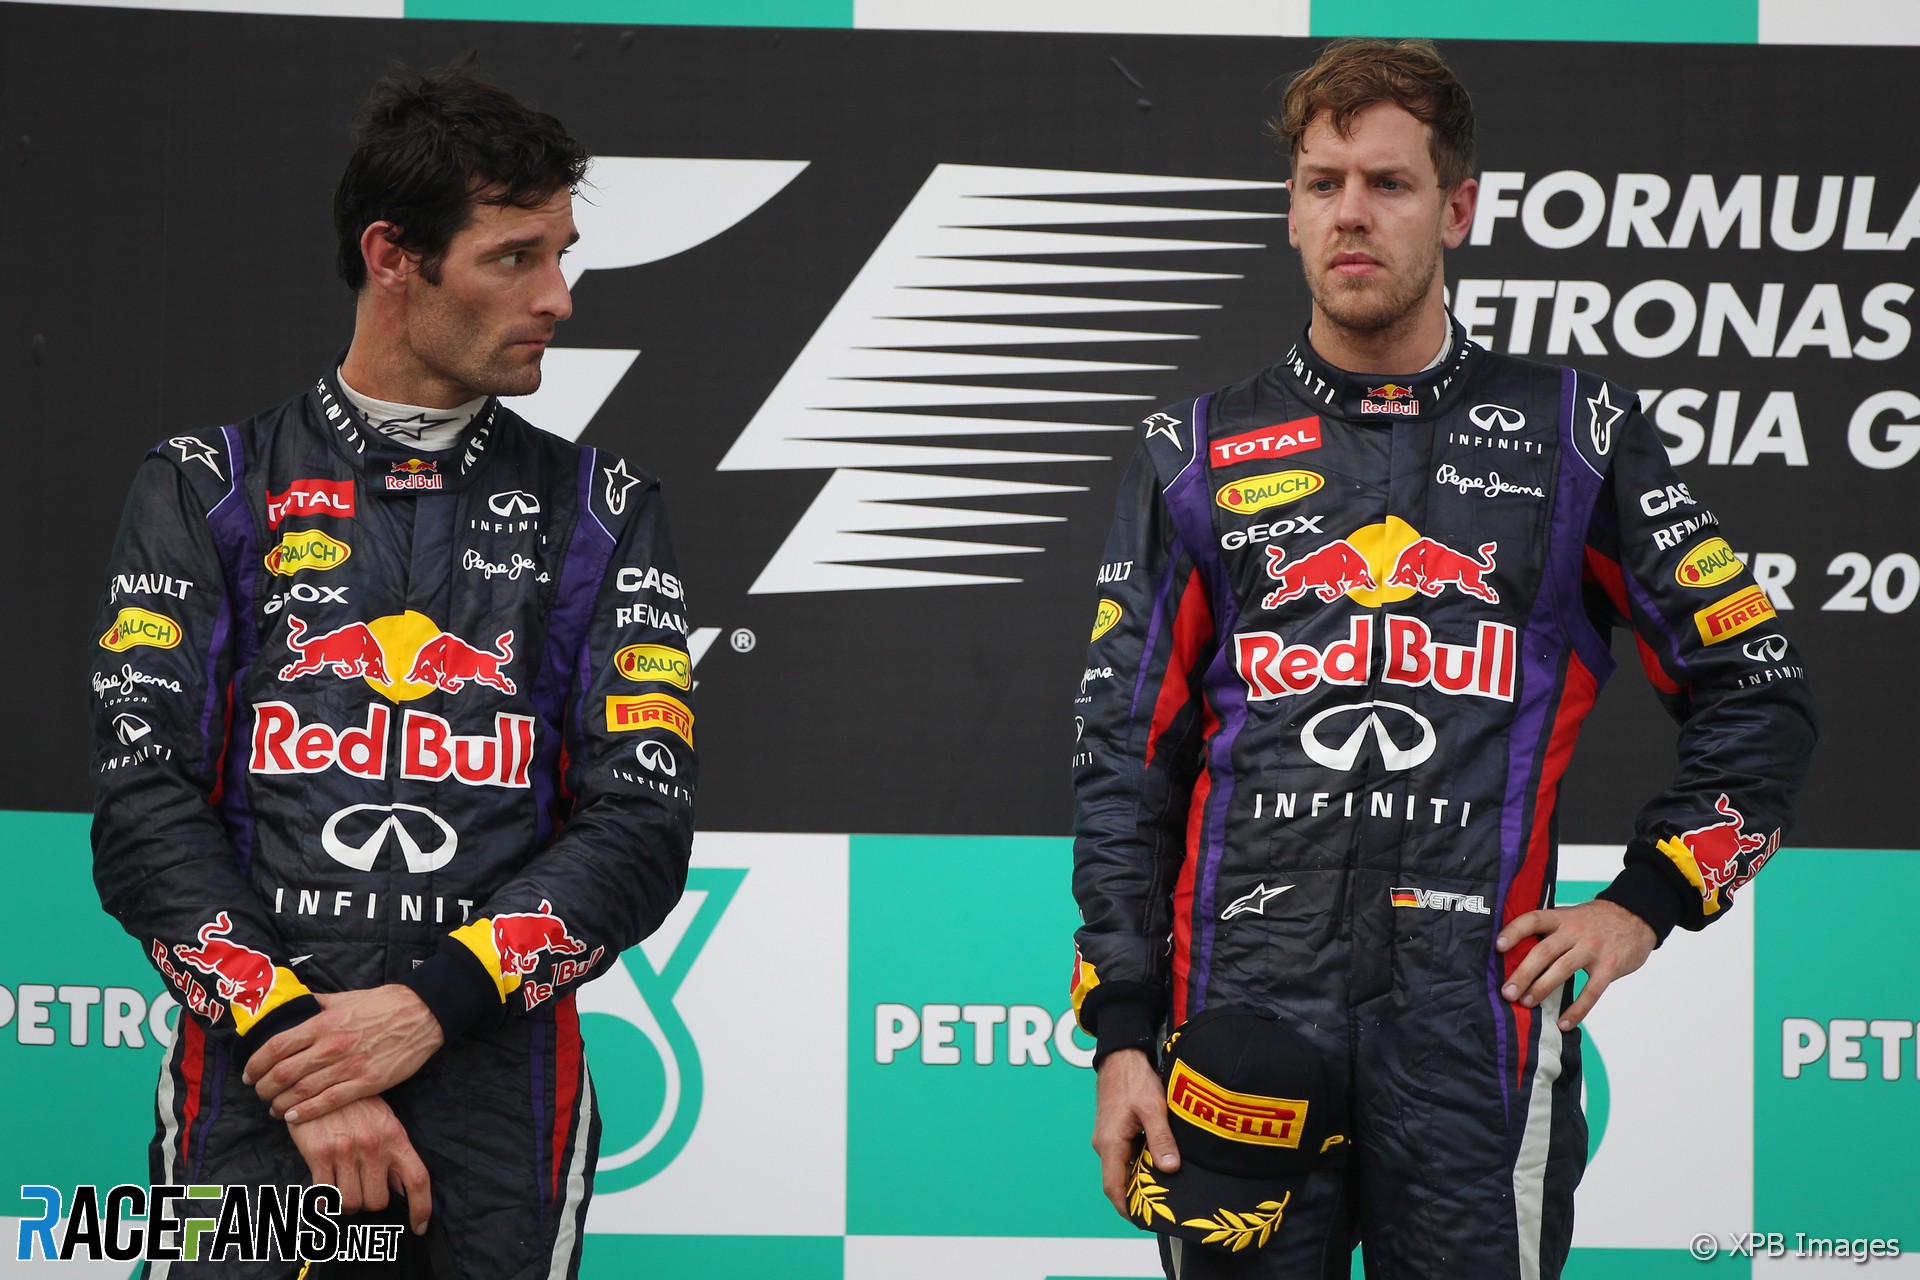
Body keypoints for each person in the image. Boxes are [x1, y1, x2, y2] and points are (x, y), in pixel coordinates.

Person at [1069, 38, 1814, 1280]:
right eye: (1321, 183)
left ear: (1458, 206)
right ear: (1293, 208)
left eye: (1389, 182)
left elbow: (1762, 689)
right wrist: (1123, 1033)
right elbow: (1121, 763)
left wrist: (1647, 902)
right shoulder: (1191, 454)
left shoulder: (1582, 438)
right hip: (1241, 1026)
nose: (1350, 213)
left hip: (1479, 1031)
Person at [87, 60, 696, 1279]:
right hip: (252, 1092)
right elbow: (143, 809)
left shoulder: (602, 509)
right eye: (514, 257)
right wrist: (307, 1058)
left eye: (561, 253)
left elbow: (642, 823)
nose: (559, 298)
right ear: (393, 256)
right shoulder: (207, 487)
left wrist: (426, 1011)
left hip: (499, 1099)